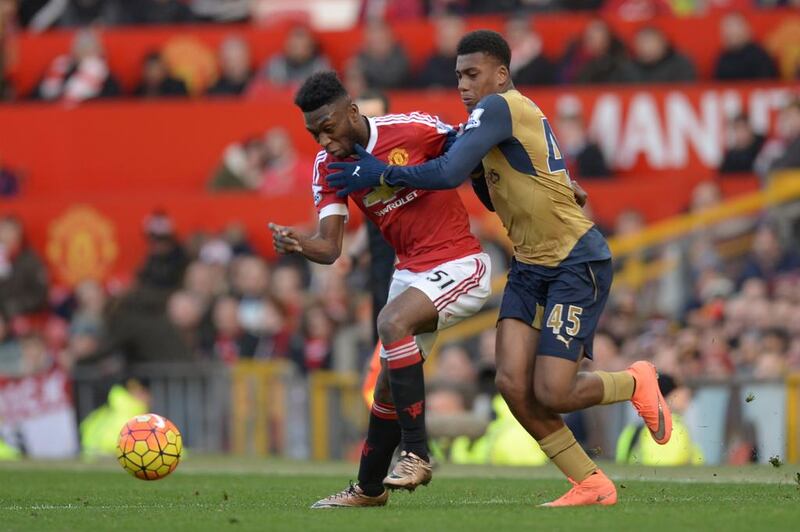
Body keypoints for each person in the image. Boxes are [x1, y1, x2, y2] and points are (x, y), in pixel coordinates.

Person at [325, 30, 672, 507]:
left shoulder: (500, 107)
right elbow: (482, 183)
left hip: (574, 258)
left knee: (551, 390)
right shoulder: (482, 124)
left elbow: (446, 174)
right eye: (458, 77)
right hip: (530, 265)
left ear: (501, 73)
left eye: (473, 74)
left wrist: (380, 172)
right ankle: (591, 483)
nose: (464, 85)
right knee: (510, 383)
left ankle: (635, 381)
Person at [269, 71, 492, 507]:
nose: (323, 141)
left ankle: (416, 454)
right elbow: (330, 247)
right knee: (388, 386)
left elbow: (472, 153)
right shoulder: (327, 167)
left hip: (461, 261)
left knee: (390, 322)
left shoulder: (414, 128)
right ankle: (369, 489)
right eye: (314, 133)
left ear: (352, 111)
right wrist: (299, 245)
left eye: (328, 128)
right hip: (410, 274)